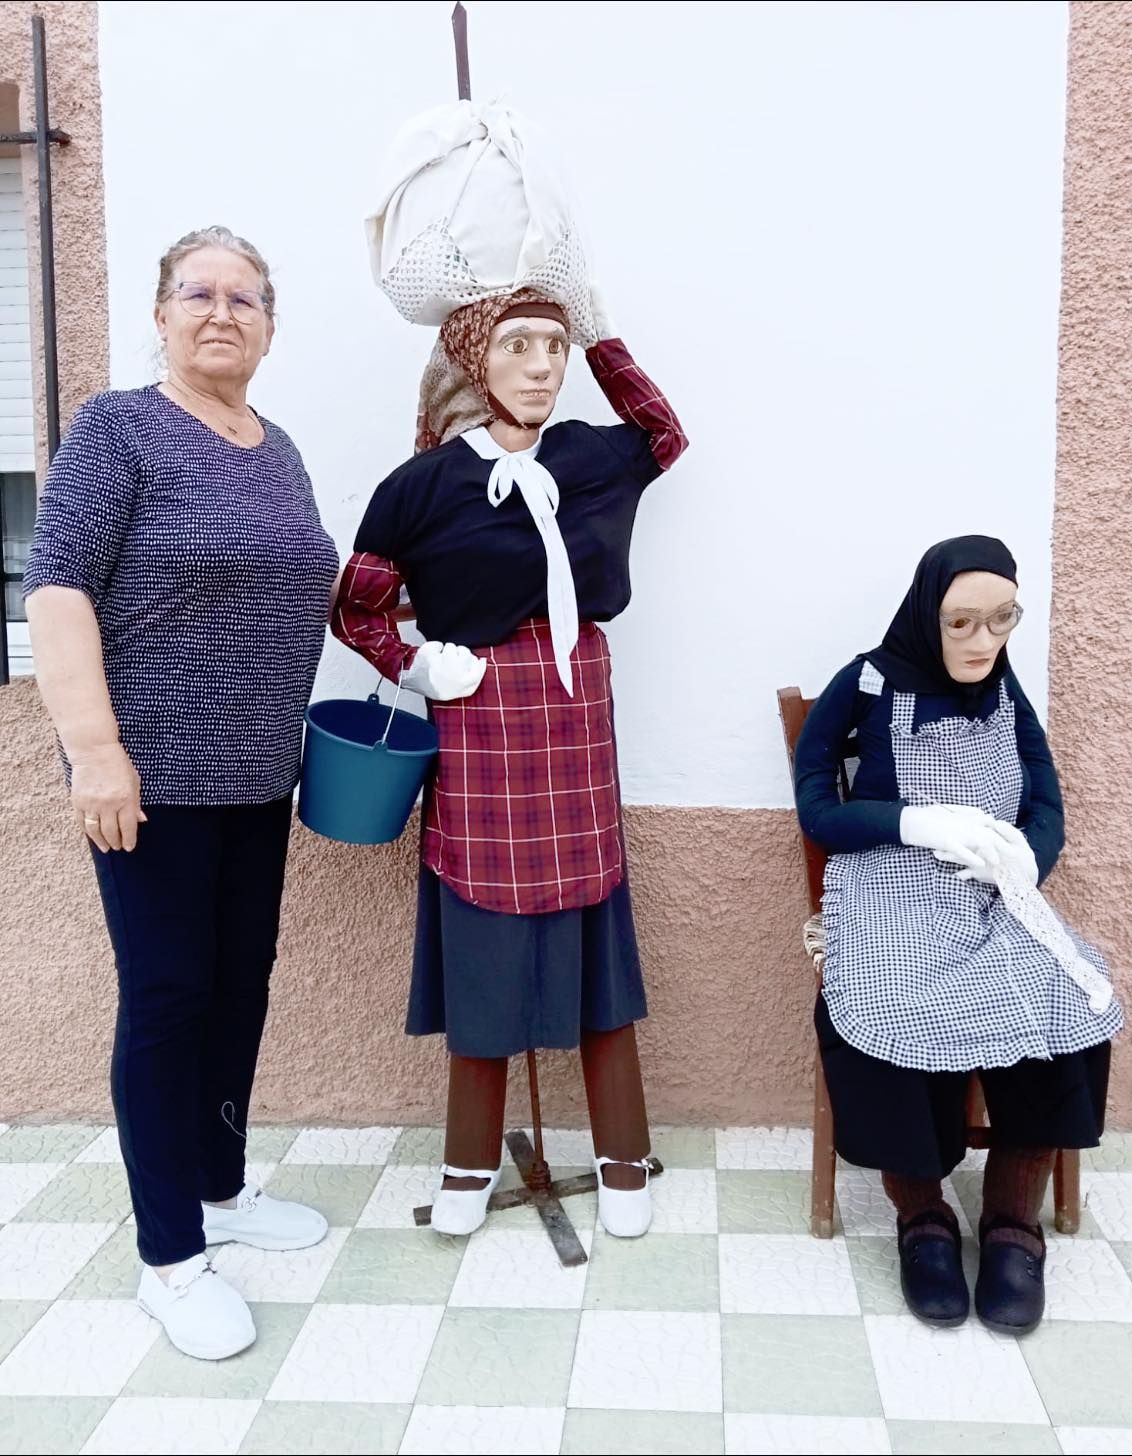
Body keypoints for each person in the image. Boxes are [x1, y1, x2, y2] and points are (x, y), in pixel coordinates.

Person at [23, 226, 340, 1361]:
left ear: (270, 327)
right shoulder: (119, 428)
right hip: (148, 782)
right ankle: (169, 1257)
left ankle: (220, 1186)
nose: (221, 312)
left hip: (258, 776)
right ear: (160, 314)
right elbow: (56, 590)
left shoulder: (278, 448)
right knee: (165, 999)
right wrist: (95, 750)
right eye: (197, 293)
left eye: (244, 298)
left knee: (238, 984)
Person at [332, 285, 687, 1237]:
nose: (542, 365)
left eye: (555, 347)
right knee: (484, 929)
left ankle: (621, 1151)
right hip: (479, 714)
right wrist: (415, 664)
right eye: (519, 344)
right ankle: (467, 1161)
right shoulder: (420, 487)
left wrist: (601, 332)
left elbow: (665, 434)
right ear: (474, 361)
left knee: (594, 922)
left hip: (575, 711)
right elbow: (357, 607)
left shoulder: (591, 458)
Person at [794, 536, 1123, 1335]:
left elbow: (1045, 800)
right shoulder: (867, 684)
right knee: (886, 1007)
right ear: (927, 615)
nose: (983, 641)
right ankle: (923, 1216)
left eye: (1002, 619)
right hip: (890, 887)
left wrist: (1027, 854)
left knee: (1065, 997)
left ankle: (1012, 1219)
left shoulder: (1006, 694)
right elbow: (817, 805)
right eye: (962, 623)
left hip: (992, 888)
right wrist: (913, 822)